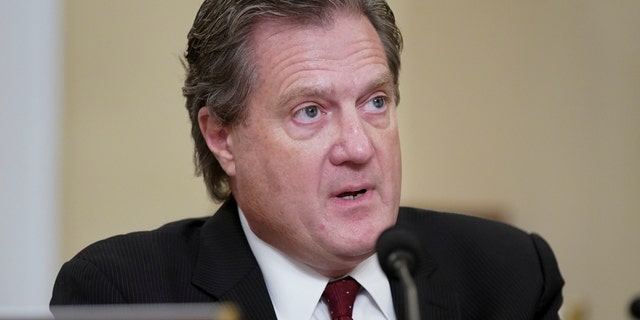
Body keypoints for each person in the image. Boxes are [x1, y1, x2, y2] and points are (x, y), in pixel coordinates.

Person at [51, 0, 564, 319]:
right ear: (222, 137)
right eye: (311, 111)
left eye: (375, 102)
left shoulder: (509, 276)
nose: (359, 147)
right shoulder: (127, 294)